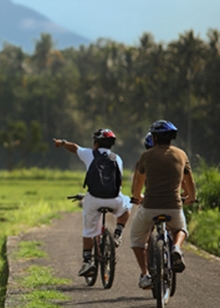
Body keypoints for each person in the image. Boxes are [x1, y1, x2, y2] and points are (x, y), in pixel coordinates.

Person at [54, 129, 131, 277]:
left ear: (96, 143)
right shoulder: (117, 158)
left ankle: (87, 262)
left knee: (89, 231)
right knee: (127, 205)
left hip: (94, 198)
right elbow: (119, 182)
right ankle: (118, 233)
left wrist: (62, 143)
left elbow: (74, 147)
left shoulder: (89, 154)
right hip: (114, 198)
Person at [130, 120, 197, 289]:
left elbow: (138, 183)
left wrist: (137, 196)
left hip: (150, 207)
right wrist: (190, 197)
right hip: (173, 207)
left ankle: (145, 275)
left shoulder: (146, 156)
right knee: (181, 229)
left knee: (136, 238)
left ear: (154, 137)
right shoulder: (181, 155)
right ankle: (176, 247)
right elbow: (189, 182)